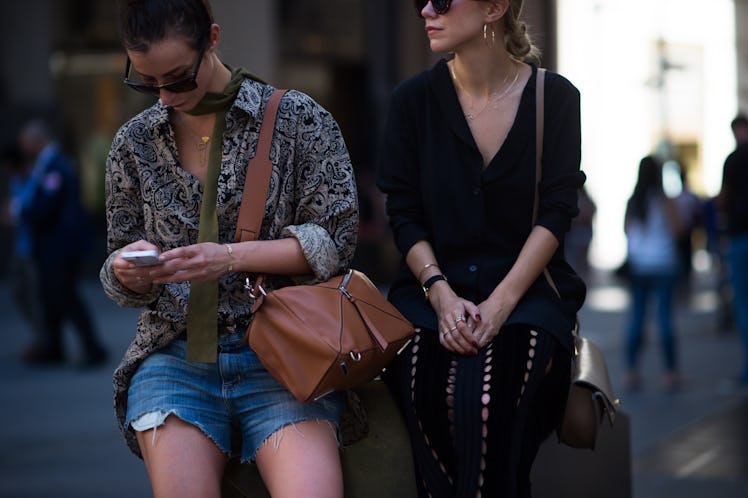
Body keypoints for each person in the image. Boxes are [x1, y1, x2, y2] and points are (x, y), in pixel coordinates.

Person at [99, 1, 358, 497]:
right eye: (147, 82)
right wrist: (127, 271)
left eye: (178, 79)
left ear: (212, 39)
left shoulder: (297, 119)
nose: (165, 97)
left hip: (284, 353)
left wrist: (230, 257)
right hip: (174, 355)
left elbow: (337, 240)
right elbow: (115, 262)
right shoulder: (133, 143)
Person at [376, 1, 586, 496]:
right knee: (425, 392)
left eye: (445, 0)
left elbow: (557, 210)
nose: (427, 9)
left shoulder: (553, 98)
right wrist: (441, 294)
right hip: (429, 297)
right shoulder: (412, 102)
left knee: (492, 401)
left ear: (494, 7)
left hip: (528, 296)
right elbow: (402, 213)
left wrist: (500, 304)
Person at [13, 119, 108, 367]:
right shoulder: (48, 163)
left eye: (25, 141)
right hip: (51, 245)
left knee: (66, 296)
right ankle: (53, 346)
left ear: (37, 140)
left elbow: (48, 206)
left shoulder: (56, 165)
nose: (23, 147)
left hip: (60, 246)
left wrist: (20, 213)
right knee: (51, 296)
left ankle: (92, 348)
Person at [622, 155, 683, 392]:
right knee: (665, 317)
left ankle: (631, 371)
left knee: (637, 316)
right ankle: (670, 373)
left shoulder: (633, 201)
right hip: (664, 263)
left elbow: (627, 231)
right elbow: (678, 229)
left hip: (639, 265)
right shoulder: (664, 201)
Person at [1, 142, 44, 356]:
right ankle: (41, 336)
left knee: (36, 296)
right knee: (19, 291)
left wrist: (16, 213)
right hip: (20, 246)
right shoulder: (15, 181)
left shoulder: (35, 179)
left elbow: (34, 210)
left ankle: (43, 339)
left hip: (34, 247)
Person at [717, 114, 748, 386]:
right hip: (739, 236)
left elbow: (723, 197)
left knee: (743, 304)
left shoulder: (734, 159)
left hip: (740, 237)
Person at [565, 185, 596, 280]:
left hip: (581, 234)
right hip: (575, 235)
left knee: (580, 261)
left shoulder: (583, 198)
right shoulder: (575, 197)